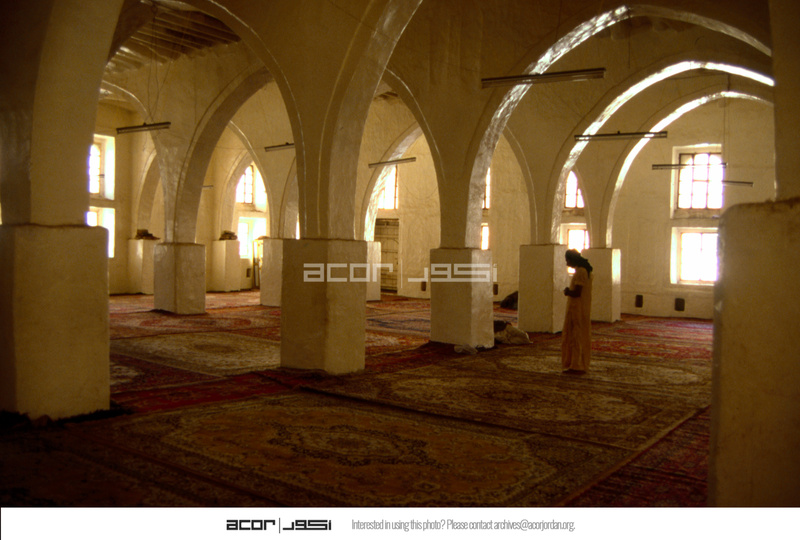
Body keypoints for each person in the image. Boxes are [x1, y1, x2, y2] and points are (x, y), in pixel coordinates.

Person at [561, 249, 593, 373]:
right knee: (576, 334)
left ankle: (577, 364)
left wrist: (568, 292)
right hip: (578, 307)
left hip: (578, 308)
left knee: (576, 335)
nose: (567, 263)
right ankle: (575, 363)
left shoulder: (581, 272)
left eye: (567, 260)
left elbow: (577, 293)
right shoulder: (582, 271)